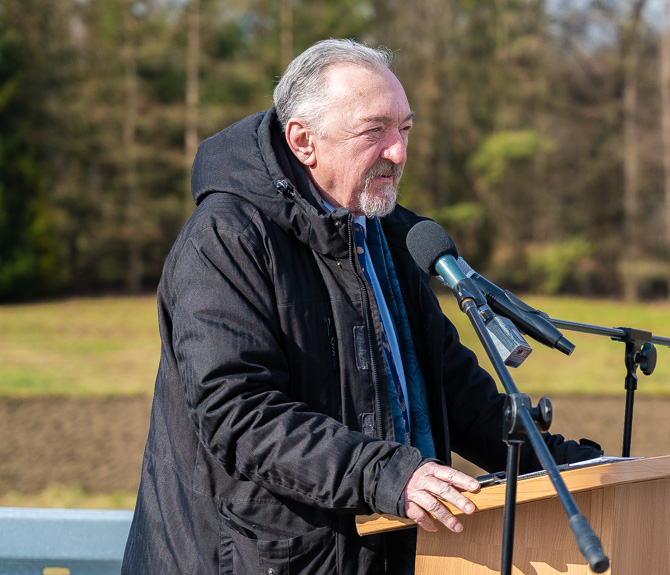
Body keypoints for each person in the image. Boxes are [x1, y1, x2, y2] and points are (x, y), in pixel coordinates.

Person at [121, 38, 602, 574]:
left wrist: (571, 467)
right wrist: (388, 475)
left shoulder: (388, 233)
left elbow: (454, 390)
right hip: (252, 560)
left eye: (406, 130)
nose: (398, 152)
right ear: (304, 141)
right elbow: (238, 412)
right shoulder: (226, 238)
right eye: (375, 131)